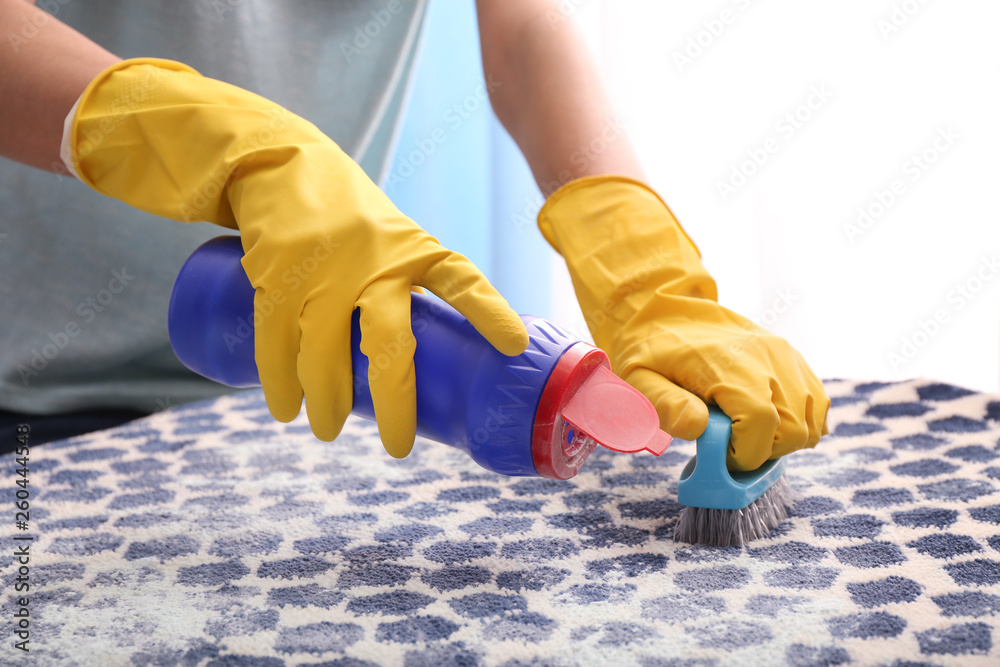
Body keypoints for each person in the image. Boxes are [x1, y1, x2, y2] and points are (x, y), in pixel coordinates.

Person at [0, 0, 828, 470]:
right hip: (26, 391)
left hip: (275, 382)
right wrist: (215, 139)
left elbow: (524, 28)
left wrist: (644, 265)